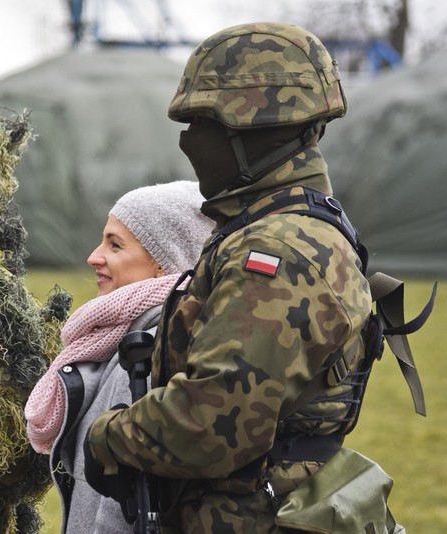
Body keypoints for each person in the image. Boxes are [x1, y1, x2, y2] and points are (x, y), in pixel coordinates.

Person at [83, 22, 387, 532]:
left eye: (203, 123)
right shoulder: (281, 227)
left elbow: (211, 421)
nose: (189, 139)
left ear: (253, 130)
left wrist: (104, 437)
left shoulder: (277, 249)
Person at [25, 181, 214, 533]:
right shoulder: (125, 340)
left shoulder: (150, 352)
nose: (94, 257)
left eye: (114, 244)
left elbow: (120, 505)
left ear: (164, 263)